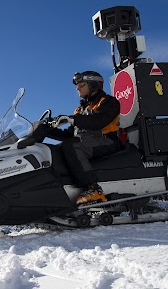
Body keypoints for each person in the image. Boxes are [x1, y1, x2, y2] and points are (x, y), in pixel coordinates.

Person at [50, 71, 122, 204]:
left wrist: (72, 119)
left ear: (93, 85)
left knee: (72, 145)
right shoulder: (80, 110)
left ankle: (94, 190)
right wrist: (48, 131)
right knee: (63, 147)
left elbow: (98, 121)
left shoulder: (108, 102)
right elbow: (70, 134)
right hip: (88, 140)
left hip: (108, 140)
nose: (77, 88)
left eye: (82, 85)